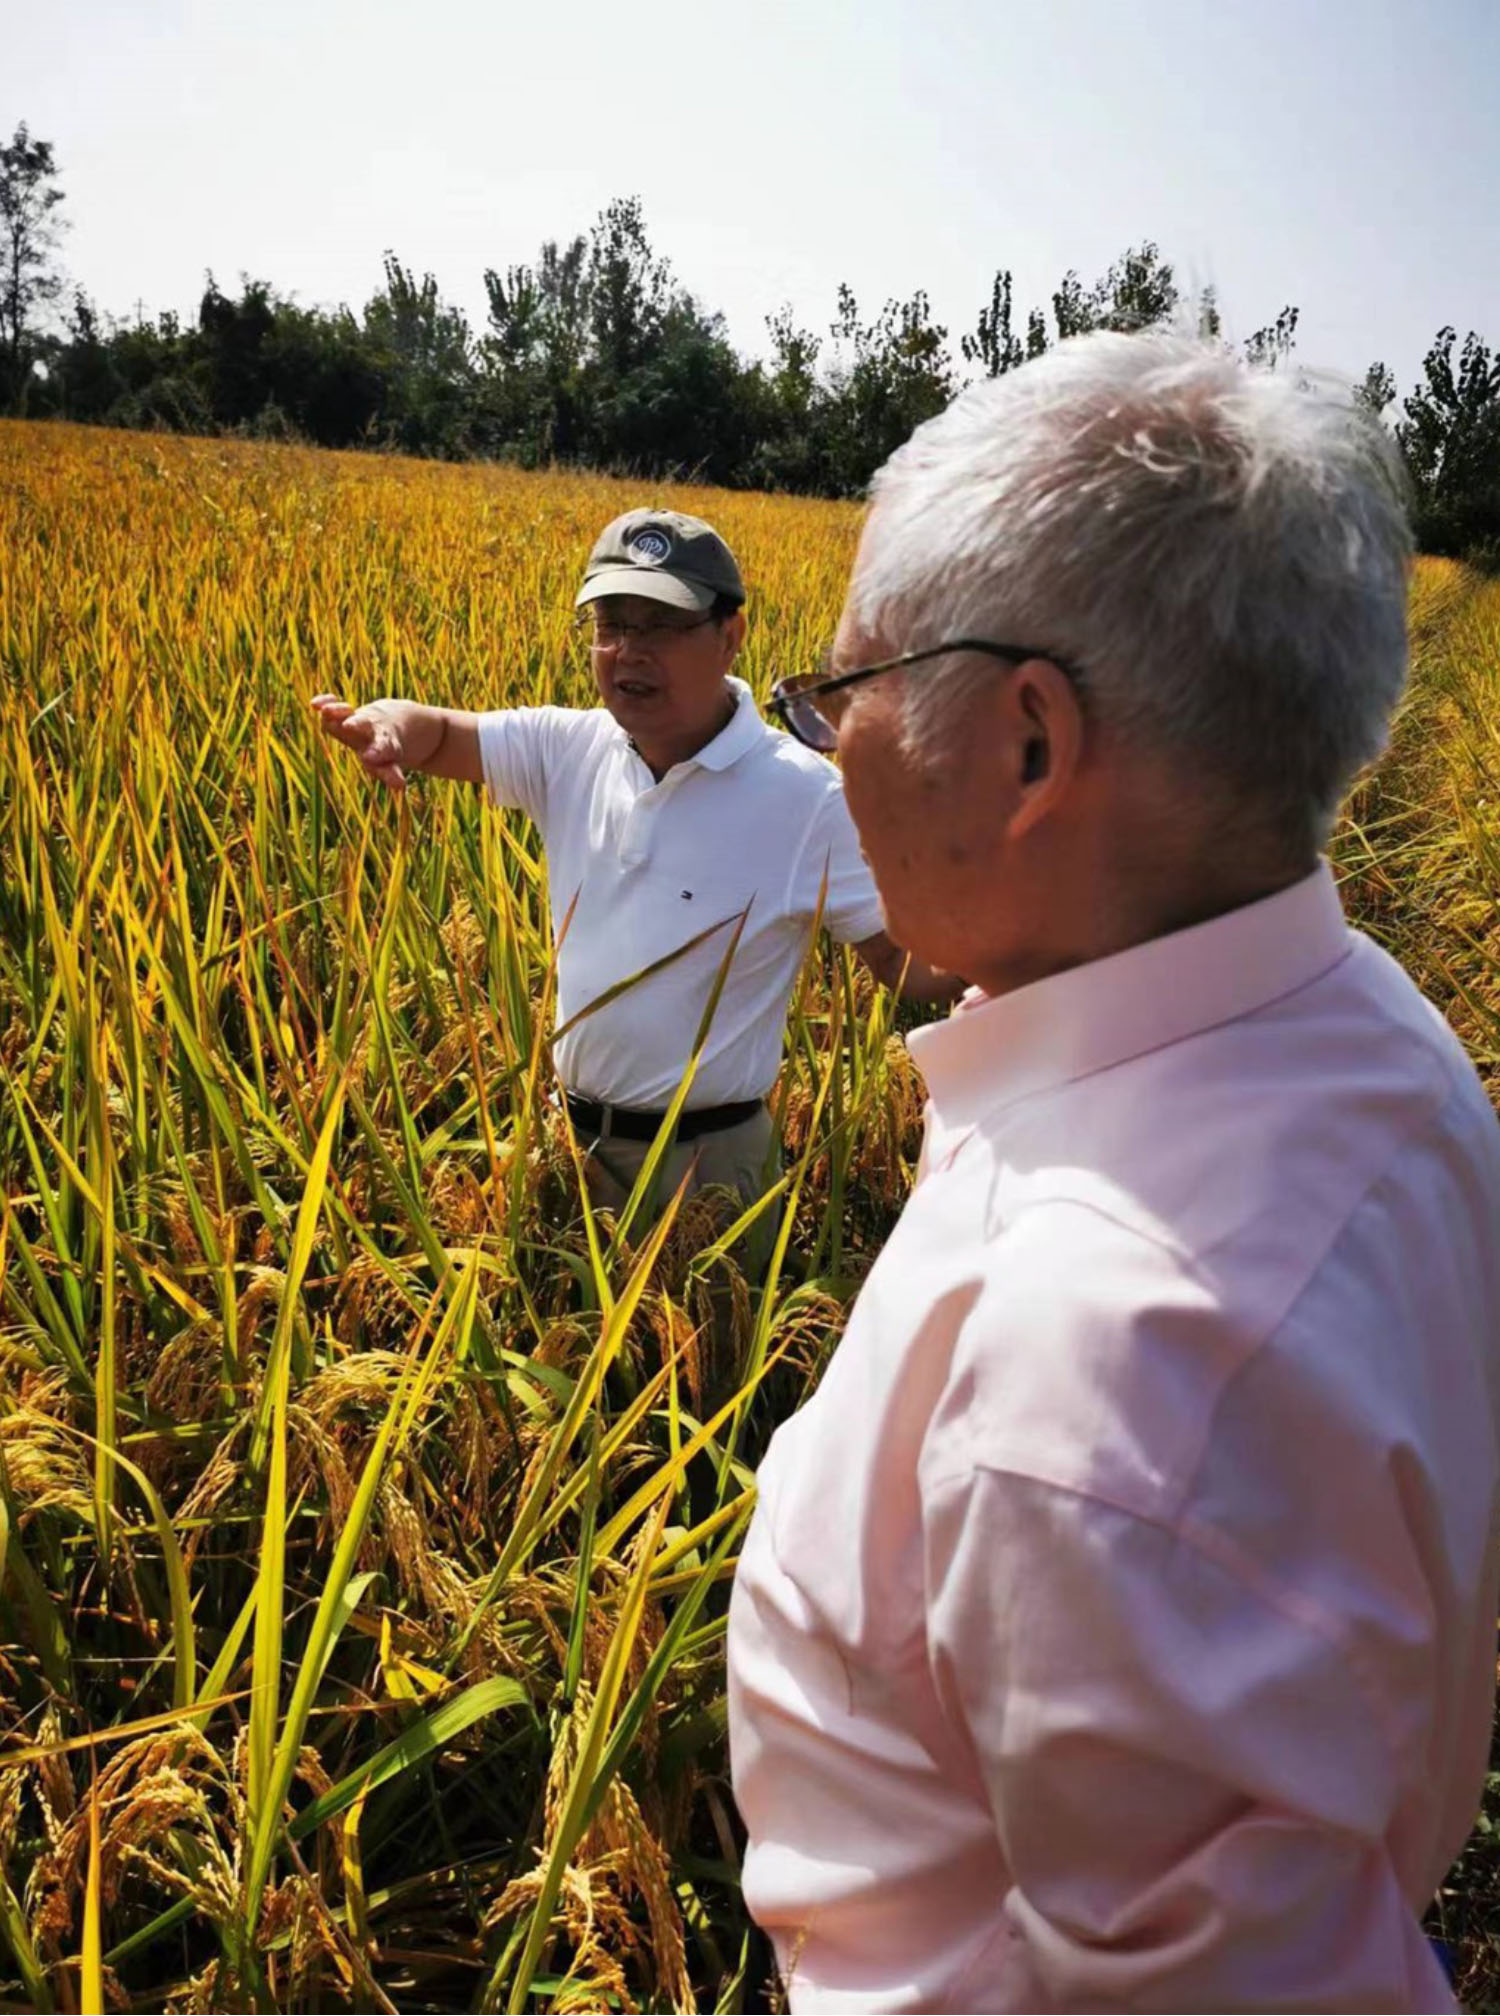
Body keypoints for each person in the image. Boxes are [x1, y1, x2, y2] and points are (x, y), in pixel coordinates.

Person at [728, 332, 1500, 2011]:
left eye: (848, 684)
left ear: (1026, 744)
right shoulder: (1379, 1040)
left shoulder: (1097, 1377)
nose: (828, 742)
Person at [312, 507, 953, 1210]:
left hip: (709, 1172)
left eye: (661, 626)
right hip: (567, 1146)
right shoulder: (565, 749)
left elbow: (903, 962)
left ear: (730, 636)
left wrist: (1021, 928)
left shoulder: (808, 799)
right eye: (610, 625)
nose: (628, 651)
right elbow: (437, 734)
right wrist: (385, 725)